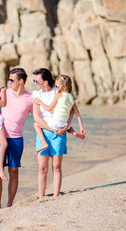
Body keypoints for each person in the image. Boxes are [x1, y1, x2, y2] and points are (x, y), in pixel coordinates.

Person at [0, 68, 33, 211]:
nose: (9, 82)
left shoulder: (30, 99)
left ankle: (9, 205)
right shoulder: (2, 92)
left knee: (13, 171)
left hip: (17, 139)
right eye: (8, 79)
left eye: (12, 80)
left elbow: (39, 117)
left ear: (21, 81)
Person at [32, 68, 74, 199]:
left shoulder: (59, 91)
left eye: (36, 81)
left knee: (56, 167)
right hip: (44, 132)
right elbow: (37, 118)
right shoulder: (36, 94)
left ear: (45, 82)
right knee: (42, 168)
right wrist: (51, 129)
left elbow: (72, 111)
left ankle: (56, 196)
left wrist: (66, 127)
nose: (34, 83)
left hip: (59, 133)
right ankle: (41, 197)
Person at [33, 74, 86, 153]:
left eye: (57, 86)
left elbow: (49, 108)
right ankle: (73, 132)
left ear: (64, 87)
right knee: (67, 125)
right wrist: (81, 127)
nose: (56, 88)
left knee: (36, 124)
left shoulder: (58, 95)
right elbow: (77, 113)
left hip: (56, 124)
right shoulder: (71, 97)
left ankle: (44, 143)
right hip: (65, 124)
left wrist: (39, 102)